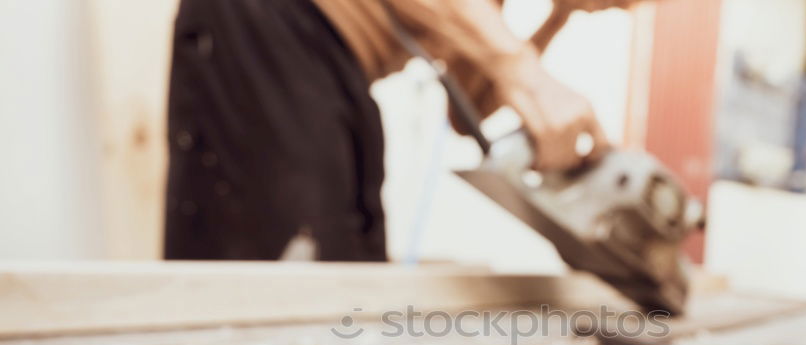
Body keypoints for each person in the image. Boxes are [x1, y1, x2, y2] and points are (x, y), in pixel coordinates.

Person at [164, 0, 640, 262]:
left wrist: (558, 15)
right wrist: (523, 69)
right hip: (265, 24)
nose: (622, 8)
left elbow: (469, 107)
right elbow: (508, 72)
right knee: (284, 270)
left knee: (346, 271)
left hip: (335, 68)